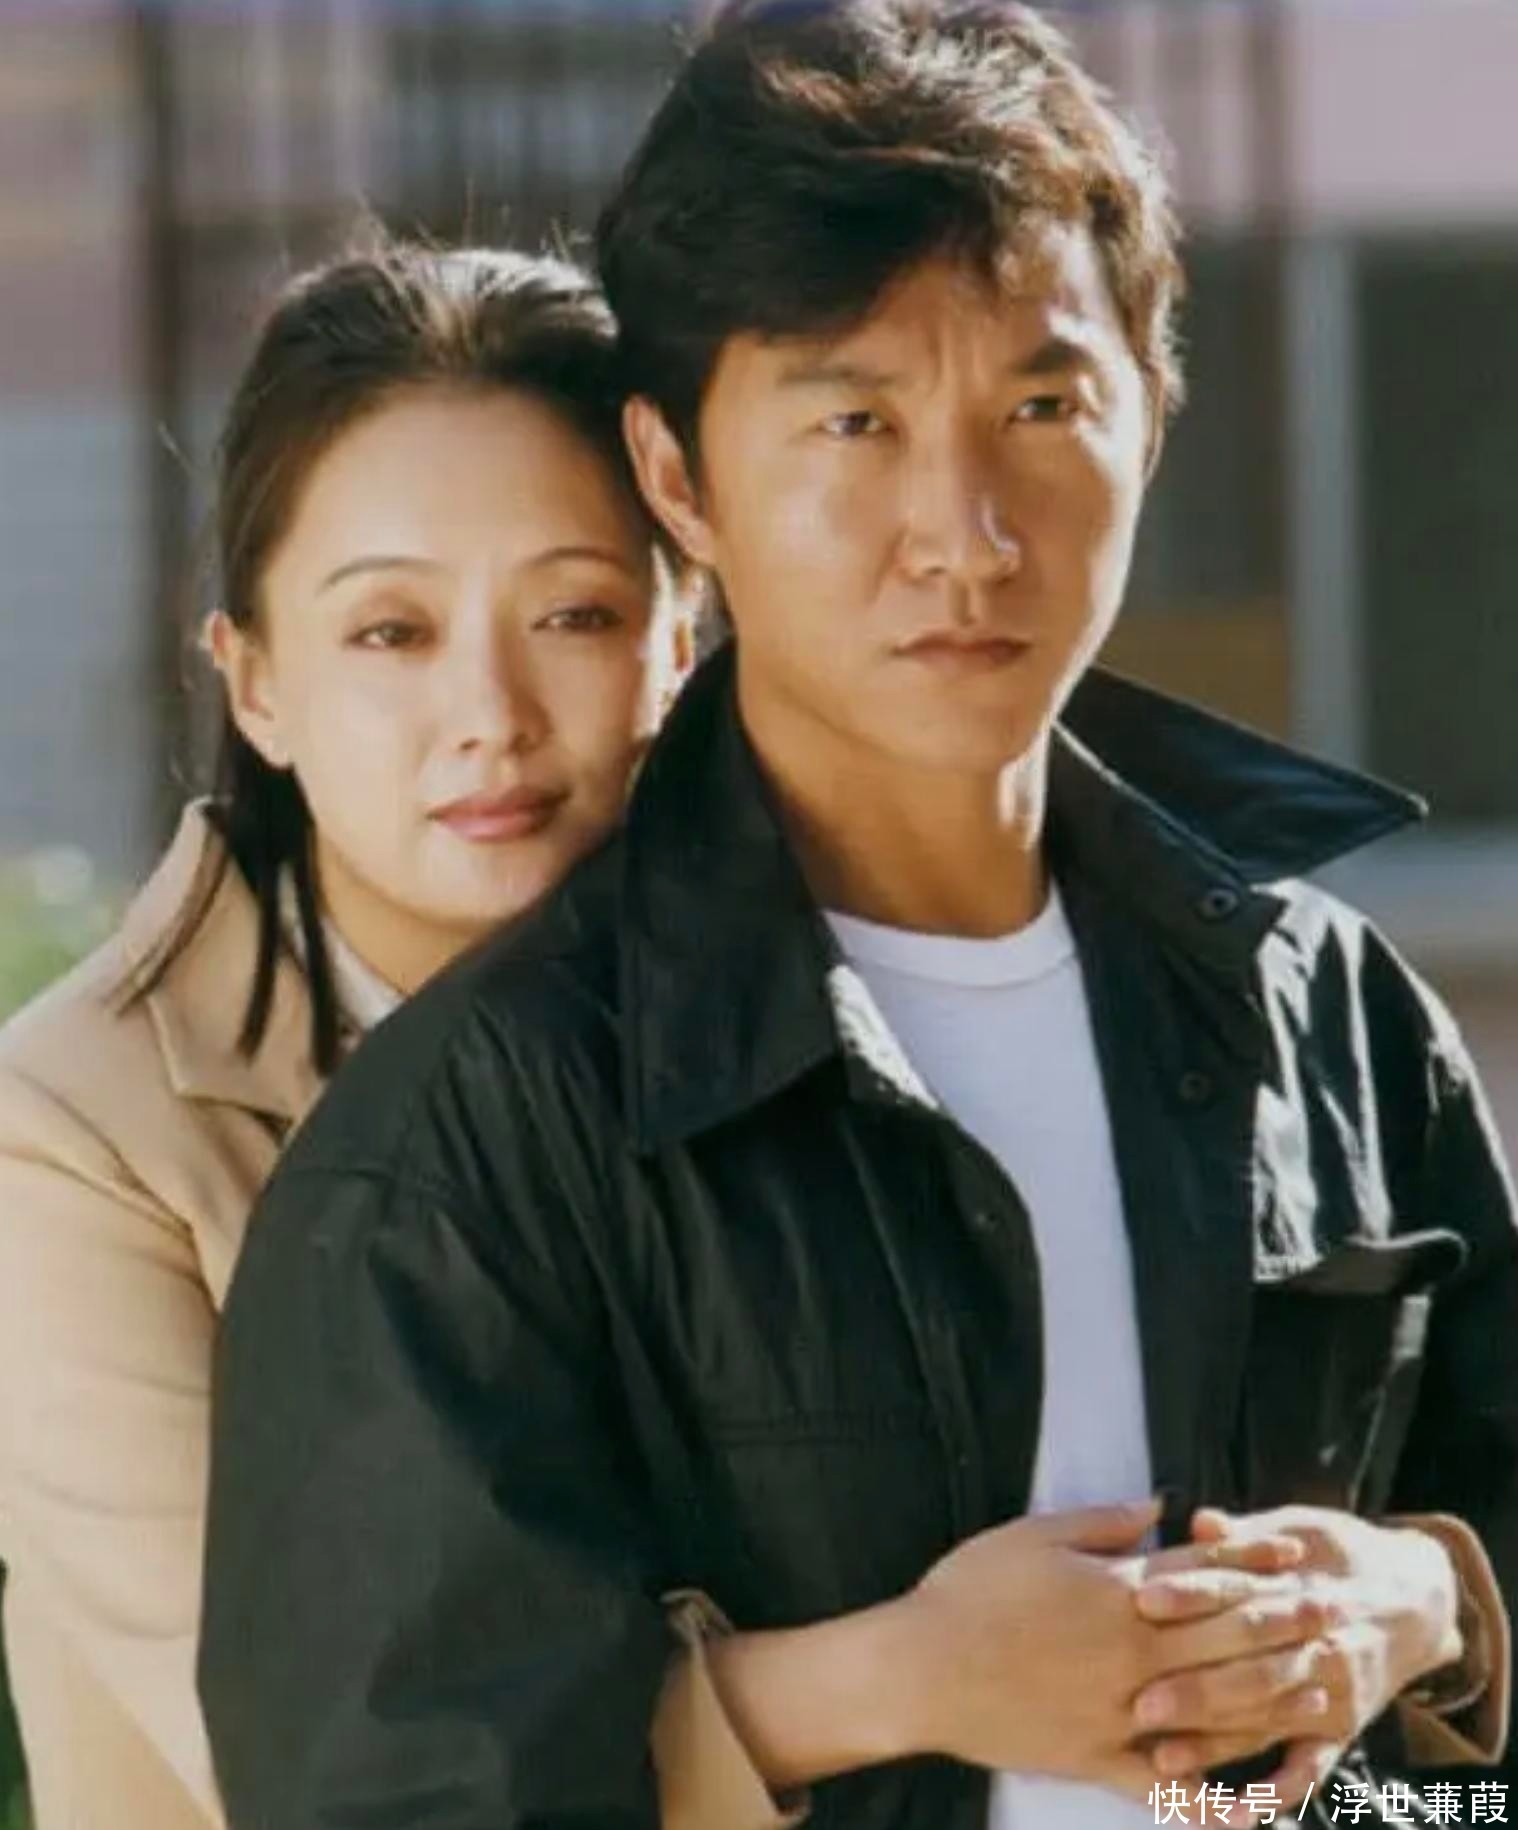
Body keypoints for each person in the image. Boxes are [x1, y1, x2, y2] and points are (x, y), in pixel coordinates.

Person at [199, 8, 1518, 1829]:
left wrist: (1429, 1603)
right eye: (853, 420)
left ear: (1149, 415)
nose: (962, 531)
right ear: (679, 479)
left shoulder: (1323, 1007)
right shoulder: (471, 1144)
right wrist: (891, 1683)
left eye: (1041, 407)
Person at [0, 237, 715, 1830]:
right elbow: (333, 1764)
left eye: (575, 612)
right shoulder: (73, 1140)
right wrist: (905, 1682)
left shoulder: (811, 1024)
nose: (492, 714)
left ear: (678, 641)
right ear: (253, 680)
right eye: (391, 632)